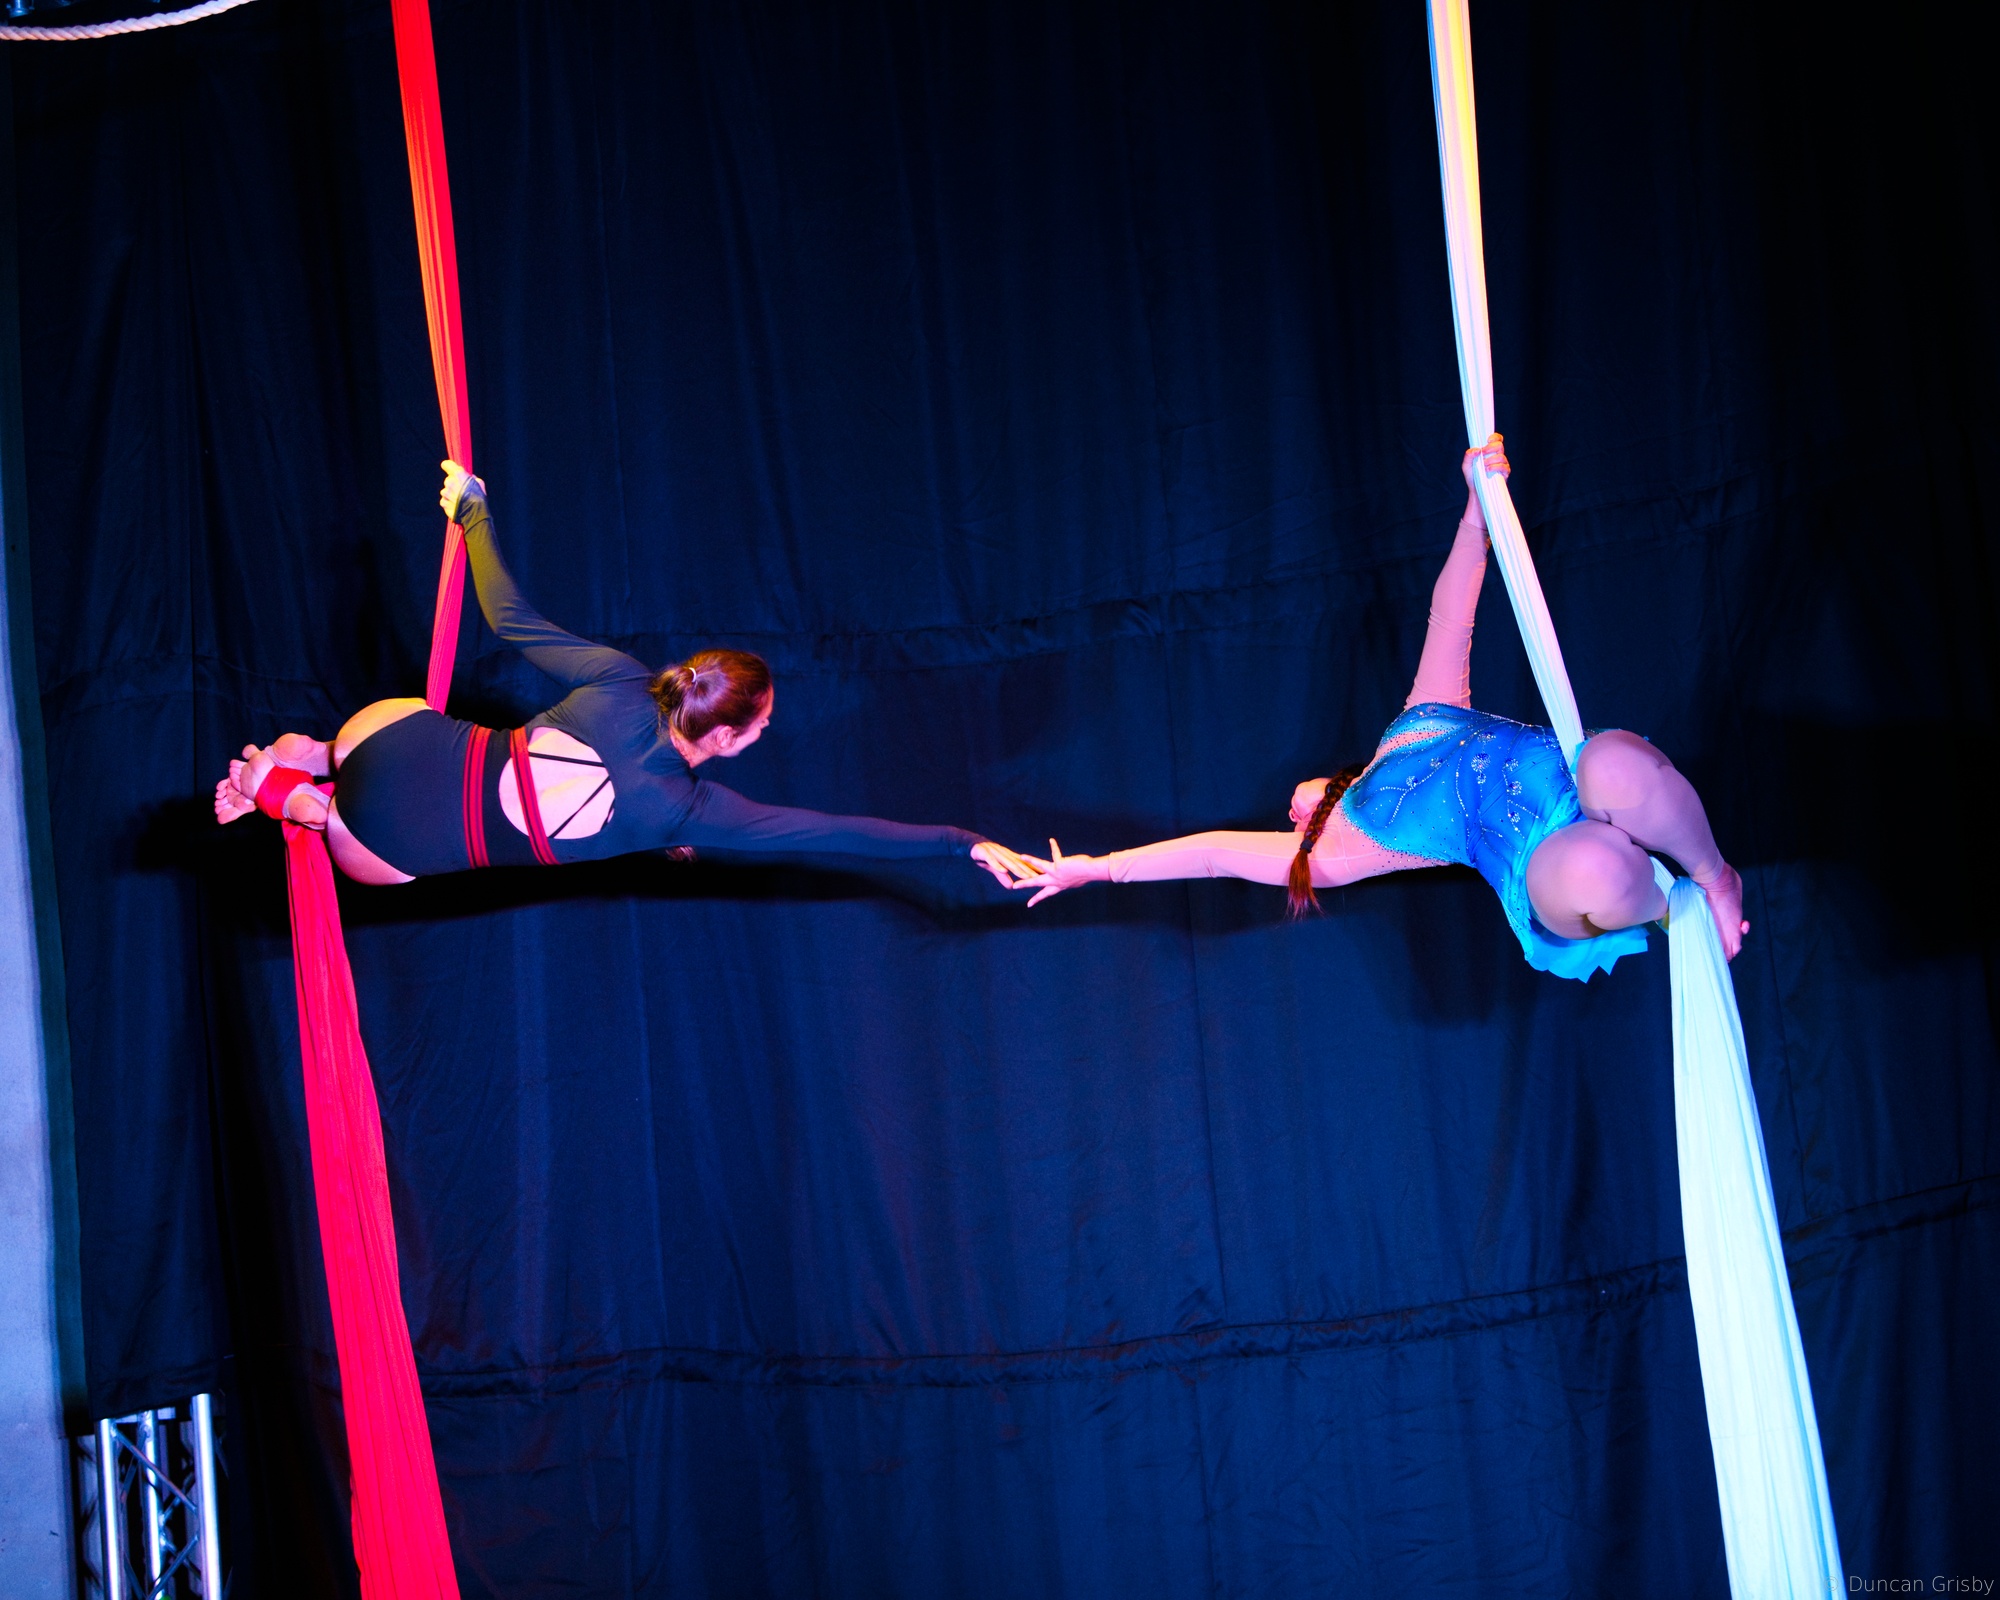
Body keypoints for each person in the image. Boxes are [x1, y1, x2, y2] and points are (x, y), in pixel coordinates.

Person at [1018, 438, 1748, 978]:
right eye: (1292, 821)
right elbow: (1211, 854)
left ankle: (1715, 876)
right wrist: (1097, 869)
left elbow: (1451, 614)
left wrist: (1476, 511)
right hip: (1542, 864)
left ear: (1329, 781)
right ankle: (1672, 915)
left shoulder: (1421, 719)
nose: (1291, 810)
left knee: (1613, 765)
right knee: (1595, 865)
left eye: (1295, 802)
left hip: (1580, 779)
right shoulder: (1344, 849)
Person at [215, 462, 1036, 893]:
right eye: (761, 723)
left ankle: (309, 758)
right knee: (372, 858)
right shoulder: (688, 809)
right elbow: (836, 833)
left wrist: (473, 512)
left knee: (362, 739)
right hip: (385, 844)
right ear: (724, 735)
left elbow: (508, 620)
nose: (765, 732)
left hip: (389, 738)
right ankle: (297, 801)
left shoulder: (620, 680)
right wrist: (961, 842)